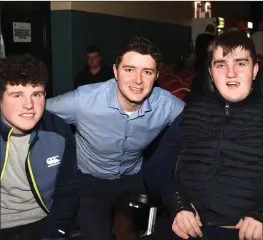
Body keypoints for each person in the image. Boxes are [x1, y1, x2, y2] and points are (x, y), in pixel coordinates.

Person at [45, 36, 185, 240]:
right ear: (115, 71)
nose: (138, 80)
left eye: (147, 72)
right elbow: (36, 110)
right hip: (90, 180)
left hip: (134, 177)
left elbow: (199, 124)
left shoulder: (166, 104)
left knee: (149, 232)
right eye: (129, 69)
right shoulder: (84, 100)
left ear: (156, 76)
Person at [144, 31, 263, 240]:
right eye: (221, 65)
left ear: (255, 70)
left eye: (241, 64)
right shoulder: (191, 113)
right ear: (210, 72)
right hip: (186, 227)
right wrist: (177, 203)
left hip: (245, 231)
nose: (231, 73)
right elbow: (156, 166)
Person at [0, 55, 78, 240]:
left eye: (36, 94)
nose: (29, 105)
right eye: (17, 95)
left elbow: (67, 191)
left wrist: (57, 232)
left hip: (44, 222)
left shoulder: (58, 131)